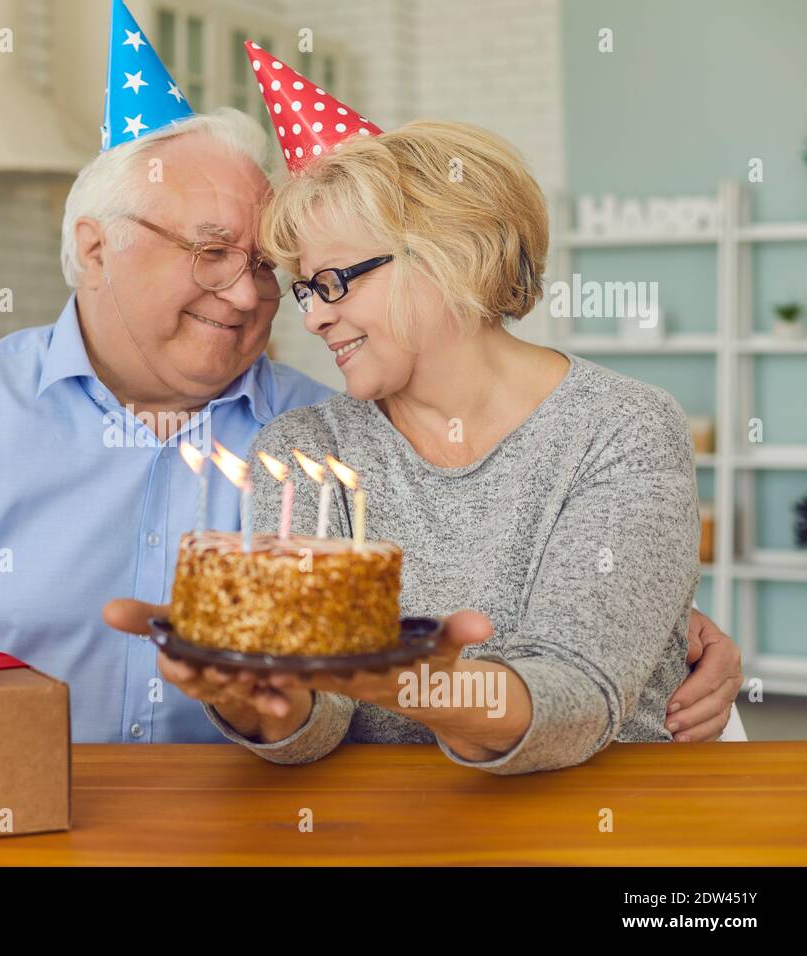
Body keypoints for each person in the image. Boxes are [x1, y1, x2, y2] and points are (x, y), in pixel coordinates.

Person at [0, 12, 741, 748]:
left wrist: (652, 632)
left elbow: (507, 638)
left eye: (275, 270)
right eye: (209, 252)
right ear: (94, 248)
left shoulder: (319, 429)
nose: (253, 296)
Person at [108, 49, 731, 773]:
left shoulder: (620, 428)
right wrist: (259, 701)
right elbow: (315, 721)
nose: (313, 317)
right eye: (306, 289)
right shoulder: (306, 447)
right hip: (379, 824)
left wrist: (416, 685)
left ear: (452, 254)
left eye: (334, 281)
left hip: (600, 818)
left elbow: (578, 694)